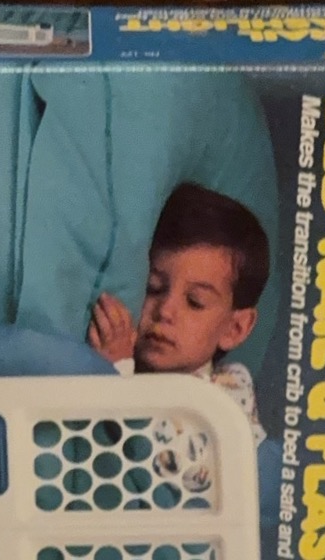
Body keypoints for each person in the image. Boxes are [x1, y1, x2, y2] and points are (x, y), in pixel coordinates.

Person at [88, 182, 270, 444]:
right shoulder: (131, 356)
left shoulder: (229, 390)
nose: (164, 311)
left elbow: (158, 455)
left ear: (235, 328)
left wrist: (118, 372)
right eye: (154, 288)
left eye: (195, 302)